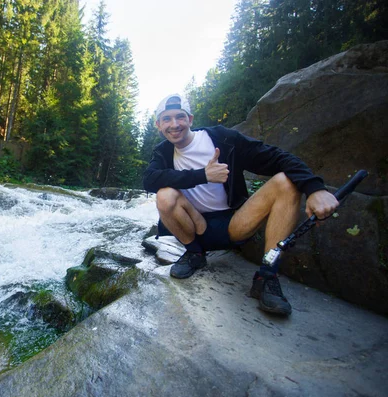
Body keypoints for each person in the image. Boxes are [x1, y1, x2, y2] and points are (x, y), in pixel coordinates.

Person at [143, 93, 339, 316]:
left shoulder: (222, 139)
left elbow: (277, 157)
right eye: (167, 119)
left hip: (233, 224)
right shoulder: (163, 151)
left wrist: (315, 189)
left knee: (285, 182)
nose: (174, 124)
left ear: (190, 119)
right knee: (164, 195)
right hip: (195, 227)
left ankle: (267, 277)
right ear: (159, 125)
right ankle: (195, 255)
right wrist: (203, 175)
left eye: (180, 117)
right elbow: (149, 180)